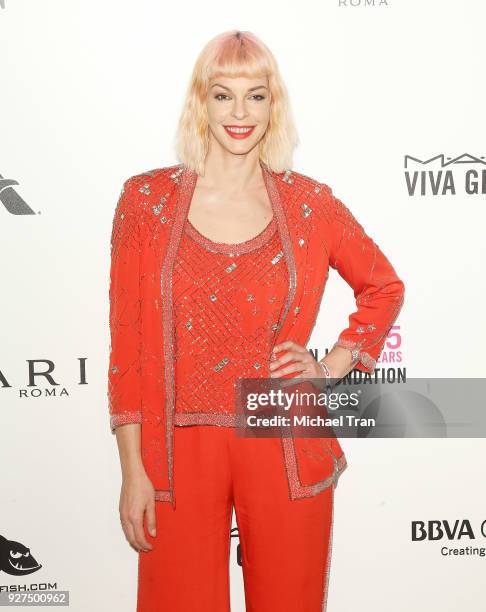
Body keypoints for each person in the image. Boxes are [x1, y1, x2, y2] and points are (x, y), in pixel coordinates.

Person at [107, 30, 405, 612]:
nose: (240, 113)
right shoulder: (144, 201)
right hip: (175, 447)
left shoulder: (311, 204)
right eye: (224, 95)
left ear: (275, 105)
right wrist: (132, 470)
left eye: (256, 95)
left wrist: (331, 364)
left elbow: (384, 287)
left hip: (280, 431)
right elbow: (128, 344)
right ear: (201, 101)